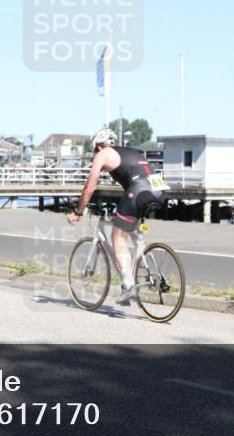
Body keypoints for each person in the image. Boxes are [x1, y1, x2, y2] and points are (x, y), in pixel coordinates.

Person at [67, 128, 165, 305]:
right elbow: (134, 178)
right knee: (133, 234)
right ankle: (139, 275)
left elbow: (90, 187)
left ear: (98, 147)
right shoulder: (130, 152)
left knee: (117, 237)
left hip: (139, 191)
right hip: (158, 190)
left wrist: (78, 211)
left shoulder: (102, 154)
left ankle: (128, 286)